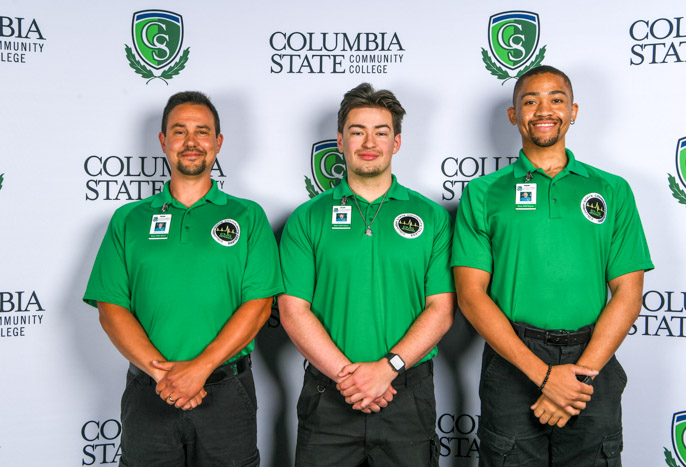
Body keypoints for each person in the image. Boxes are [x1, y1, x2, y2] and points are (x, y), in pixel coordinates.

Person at [452, 65, 654, 465]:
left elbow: (629, 294)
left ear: (573, 111)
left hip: (592, 360)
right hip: (513, 362)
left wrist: (575, 380)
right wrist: (545, 377)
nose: (544, 110)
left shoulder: (612, 189)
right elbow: (470, 296)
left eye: (556, 100)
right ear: (514, 115)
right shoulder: (482, 192)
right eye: (530, 101)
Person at [83, 91, 283, 467]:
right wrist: (168, 378)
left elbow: (258, 307)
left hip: (227, 392)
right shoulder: (128, 219)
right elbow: (111, 309)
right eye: (179, 131)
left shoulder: (248, 216)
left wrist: (200, 369)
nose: (191, 142)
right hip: (150, 390)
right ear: (163, 142)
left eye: (202, 132)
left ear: (218, 142)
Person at [279, 83, 455, 466]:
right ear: (340, 141)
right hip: (329, 396)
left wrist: (386, 369)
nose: (369, 142)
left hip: (407, 396)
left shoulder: (431, 217)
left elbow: (440, 309)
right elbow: (293, 311)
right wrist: (353, 377)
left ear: (398, 142)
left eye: (381, 132)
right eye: (358, 131)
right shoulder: (308, 218)